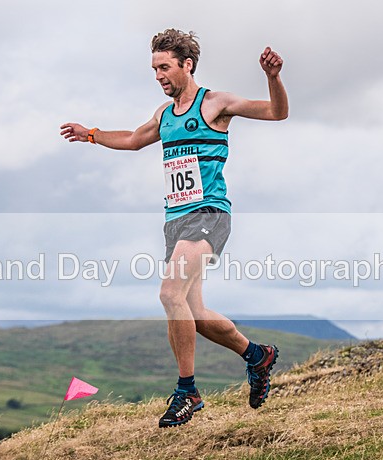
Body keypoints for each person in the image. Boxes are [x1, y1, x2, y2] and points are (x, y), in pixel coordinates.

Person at [60, 29, 289, 428]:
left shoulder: (215, 103)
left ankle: (188, 391)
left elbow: (276, 112)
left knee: (169, 292)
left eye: (164, 67)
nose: (158, 76)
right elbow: (133, 139)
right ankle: (257, 355)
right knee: (194, 312)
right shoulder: (164, 116)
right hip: (176, 221)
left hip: (209, 215)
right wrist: (92, 134)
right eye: (154, 69)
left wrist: (273, 78)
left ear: (187, 64)